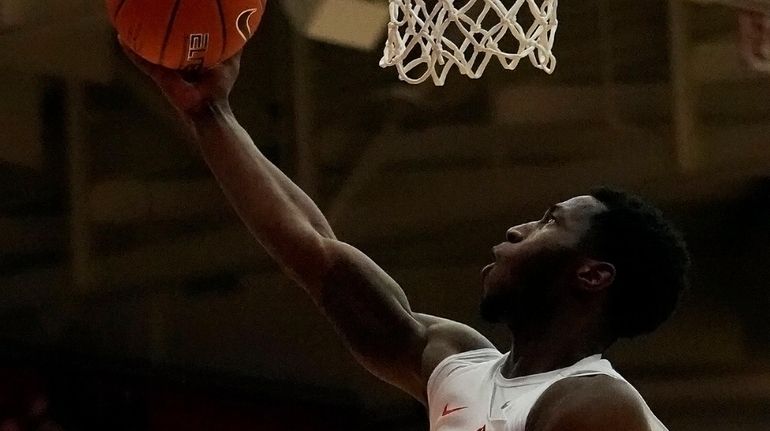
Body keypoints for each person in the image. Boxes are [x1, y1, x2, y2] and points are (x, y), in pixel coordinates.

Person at [122, 45, 690, 431]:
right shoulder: (459, 361)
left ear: (590, 274)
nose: (517, 229)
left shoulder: (597, 406)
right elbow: (314, 251)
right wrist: (210, 112)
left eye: (549, 223)